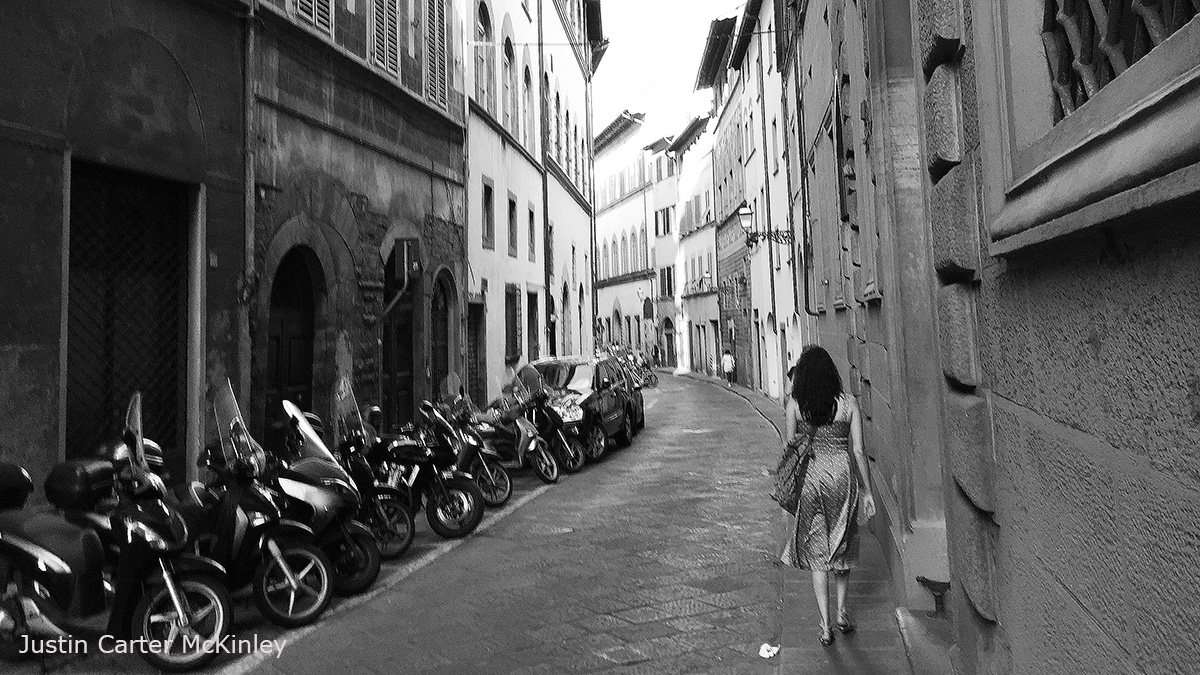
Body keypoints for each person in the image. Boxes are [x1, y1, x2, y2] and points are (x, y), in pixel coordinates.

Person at [779, 345, 876, 647]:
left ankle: (824, 626)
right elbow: (859, 451)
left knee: (818, 551)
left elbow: (790, 448)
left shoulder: (796, 405)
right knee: (842, 543)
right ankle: (842, 612)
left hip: (812, 477)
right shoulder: (849, 404)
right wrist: (868, 491)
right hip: (842, 478)